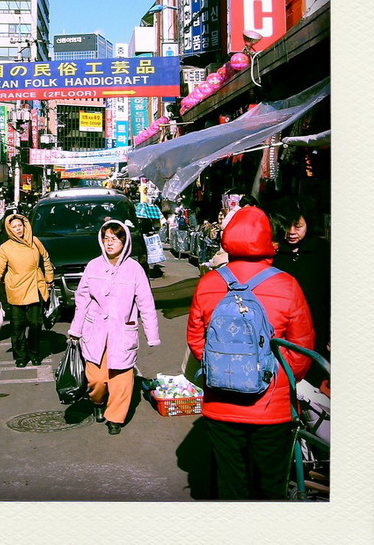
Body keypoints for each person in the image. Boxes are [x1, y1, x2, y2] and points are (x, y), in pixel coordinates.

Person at [187, 206, 315, 500]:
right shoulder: (286, 284)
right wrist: (276, 379)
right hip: (271, 408)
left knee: (231, 483)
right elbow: (302, 347)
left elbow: (196, 338)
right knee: (270, 485)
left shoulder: (209, 283)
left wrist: (220, 370)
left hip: (220, 404)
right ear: (268, 240)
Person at [68, 220, 160, 435]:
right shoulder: (93, 266)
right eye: (106, 238)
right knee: (97, 380)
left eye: (115, 239)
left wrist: (152, 335)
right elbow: (82, 300)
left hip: (122, 333)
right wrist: (76, 329)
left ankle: (114, 418)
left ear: (124, 241)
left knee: (122, 381)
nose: (110, 243)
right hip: (95, 332)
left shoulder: (134, 269)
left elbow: (146, 303)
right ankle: (98, 403)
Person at [0, 213, 54, 367]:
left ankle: (34, 353)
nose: (18, 229)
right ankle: (20, 356)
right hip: (16, 289)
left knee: (35, 324)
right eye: (14, 227)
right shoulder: (6, 247)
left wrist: (49, 278)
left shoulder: (35, 241)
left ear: (25, 226)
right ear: (9, 229)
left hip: (35, 286)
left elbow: (46, 258)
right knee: (17, 326)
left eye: (19, 226)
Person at [269, 198, 330, 361]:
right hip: (283, 333)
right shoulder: (273, 253)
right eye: (286, 226)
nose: (291, 232)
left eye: (298, 226)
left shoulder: (323, 250)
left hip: (318, 328)